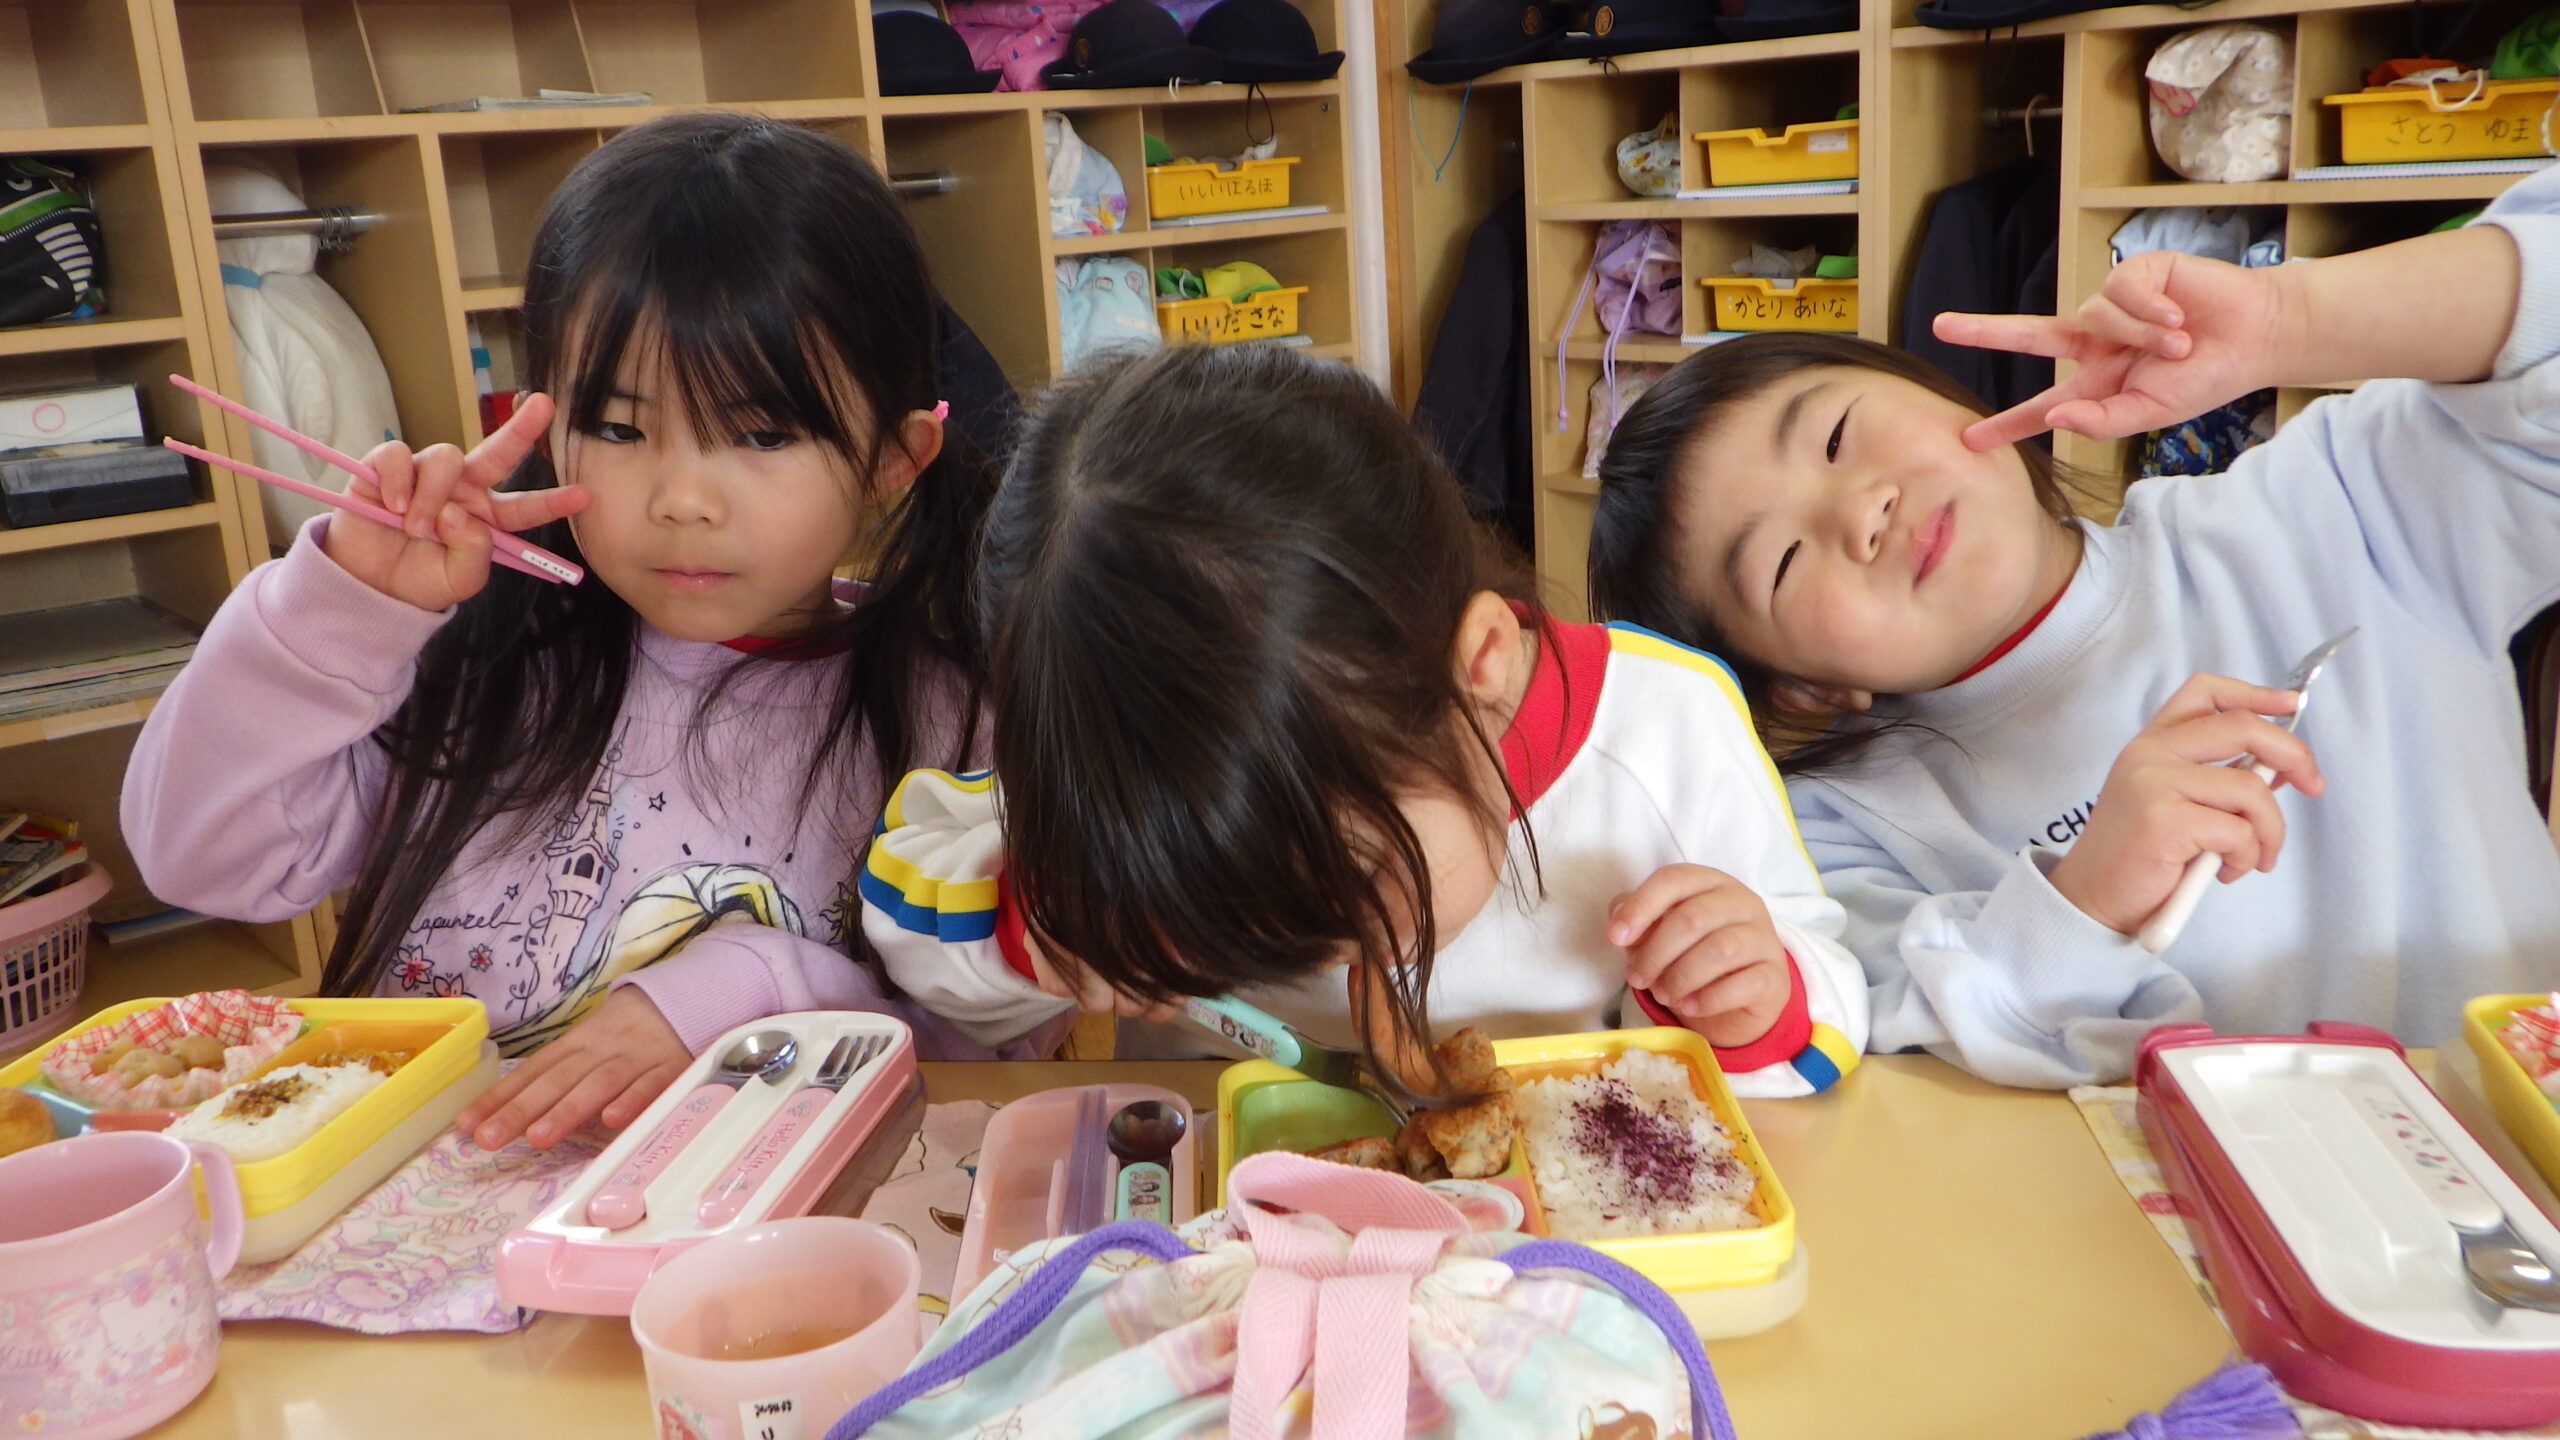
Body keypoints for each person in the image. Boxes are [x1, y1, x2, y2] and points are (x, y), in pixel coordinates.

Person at [125, 113, 1014, 1149]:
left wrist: (746, 989)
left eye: (762, 433)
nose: (681, 499)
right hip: (435, 1208)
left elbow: (980, 1061)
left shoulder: (952, 723)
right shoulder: (478, 659)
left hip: (751, 1224)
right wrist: (342, 611)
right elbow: (199, 860)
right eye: (620, 428)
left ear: (894, 460)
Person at [1585, 168, 2560, 1087]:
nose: (1862, 511)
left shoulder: (2321, 513)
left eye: (1838, 435)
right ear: (1800, 685)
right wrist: (2085, 896)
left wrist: (2288, 319)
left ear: (1941, 390)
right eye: (1784, 562)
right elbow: (1893, 1065)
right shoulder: (1834, 832)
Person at [860, 345, 1866, 1098]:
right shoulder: (1130, 752)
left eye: (1367, 883)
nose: (1324, 961)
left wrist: (1752, 998)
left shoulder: (1664, 731)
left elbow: (1827, 1027)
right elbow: (904, 905)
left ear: (1479, 665)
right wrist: (1042, 920)